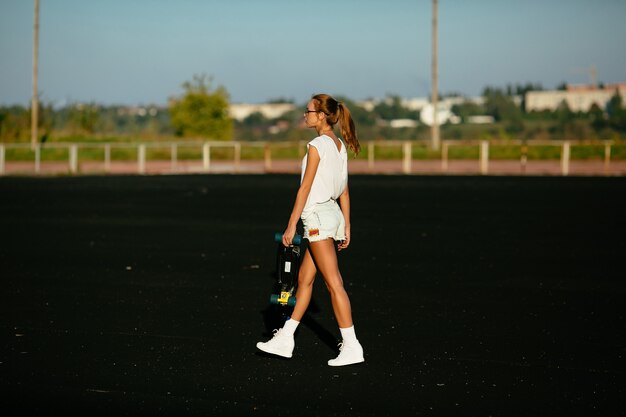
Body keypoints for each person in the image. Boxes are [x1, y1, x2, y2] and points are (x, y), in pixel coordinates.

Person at [256, 93, 364, 367]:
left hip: (316, 218)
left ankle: (352, 346)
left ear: (321, 116)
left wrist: (291, 224)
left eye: (308, 111)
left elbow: (304, 188)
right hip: (331, 215)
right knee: (304, 280)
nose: (304, 115)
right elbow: (345, 193)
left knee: (333, 282)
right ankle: (285, 338)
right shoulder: (338, 145)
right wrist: (347, 226)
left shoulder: (316, 145)